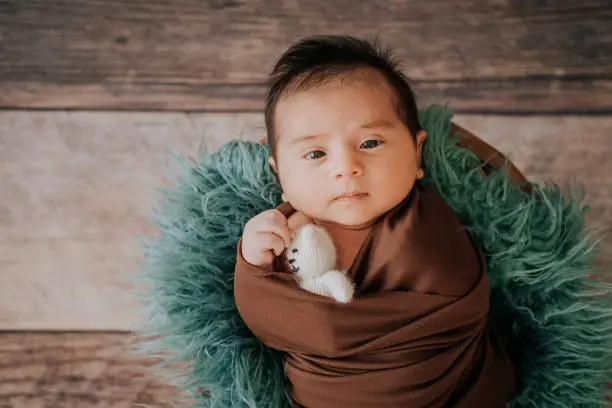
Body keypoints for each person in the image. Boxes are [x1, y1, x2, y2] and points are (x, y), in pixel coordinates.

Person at [233, 35, 516, 407]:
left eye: (370, 143)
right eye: (316, 152)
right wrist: (253, 262)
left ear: (417, 153)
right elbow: (262, 316)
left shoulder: (431, 227)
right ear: (280, 175)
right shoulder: (279, 231)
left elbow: (450, 300)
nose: (346, 167)